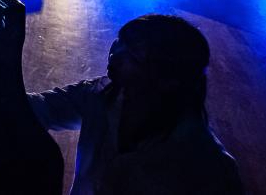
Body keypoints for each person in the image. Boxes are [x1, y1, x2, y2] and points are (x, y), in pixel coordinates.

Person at [28, 14, 244, 195]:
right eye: (119, 42)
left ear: (168, 80)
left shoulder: (209, 167)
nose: (114, 55)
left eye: (133, 56)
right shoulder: (100, 94)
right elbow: (43, 108)